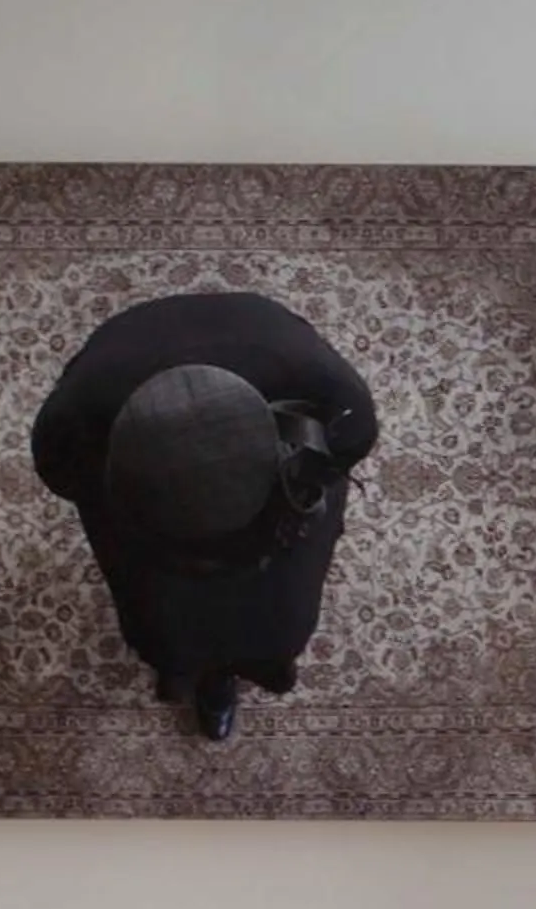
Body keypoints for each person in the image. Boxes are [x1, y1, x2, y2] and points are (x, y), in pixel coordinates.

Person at [31, 291, 377, 740]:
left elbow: (346, 450)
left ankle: (258, 665)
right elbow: (62, 473)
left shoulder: (322, 384)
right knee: (161, 622)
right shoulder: (85, 401)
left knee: (284, 616)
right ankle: (192, 669)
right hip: (139, 510)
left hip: (278, 504)